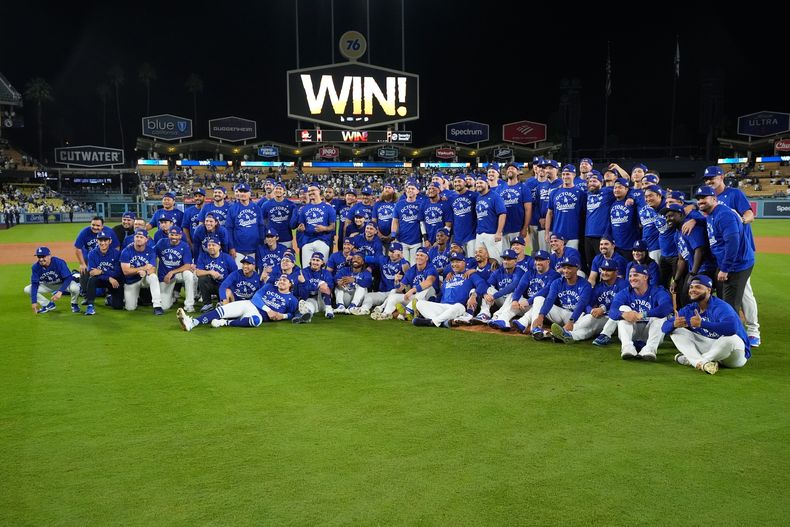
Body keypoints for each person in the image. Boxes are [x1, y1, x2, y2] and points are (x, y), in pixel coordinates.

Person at [700, 166, 762, 347]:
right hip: (727, 255)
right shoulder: (709, 200)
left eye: (712, 177)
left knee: (745, 294)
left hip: (740, 251)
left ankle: (752, 331)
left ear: (722, 177)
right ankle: (733, 329)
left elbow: (750, 214)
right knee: (737, 294)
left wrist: (740, 221)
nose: (709, 181)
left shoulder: (734, 194)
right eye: (706, 179)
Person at [662, 275, 750, 374]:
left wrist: (702, 324)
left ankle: (697, 361)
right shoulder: (690, 309)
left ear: (708, 290)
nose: (693, 290)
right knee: (676, 331)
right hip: (712, 348)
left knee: (731, 339)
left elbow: (731, 328)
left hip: (734, 355)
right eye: (691, 287)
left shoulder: (720, 307)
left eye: (698, 287)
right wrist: (674, 324)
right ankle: (704, 363)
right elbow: (664, 328)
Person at [694, 186, 754, 316]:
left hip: (737, 265)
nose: (700, 201)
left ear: (714, 198)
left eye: (704, 197)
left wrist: (725, 268)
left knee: (730, 307)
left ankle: (736, 335)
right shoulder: (711, 214)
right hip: (727, 264)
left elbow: (733, 243)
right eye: (698, 198)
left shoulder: (724, 215)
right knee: (725, 302)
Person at [177, 273, 298, 330]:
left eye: (285, 281)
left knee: (256, 321)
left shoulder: (292, 300)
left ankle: (224, 323)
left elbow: (292, 313)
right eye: (281, 280)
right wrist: (269, 310)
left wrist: (281, 315)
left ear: (291, 284)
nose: (281, 282)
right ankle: (193, 322)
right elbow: (256, 297)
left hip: (257, 315)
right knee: (221, 310)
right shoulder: (269, 287)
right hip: (249, 304)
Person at [607, 265, 673, 360]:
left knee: (660, 315)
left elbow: (667, 307)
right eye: (630, 276)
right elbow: (612, 311)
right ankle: (627, 347)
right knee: (623, 309)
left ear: (645, 277)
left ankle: (650, 349)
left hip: (651, 334)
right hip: (632, 332)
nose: (632, 278)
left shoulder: (657, 291)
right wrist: (623, 314)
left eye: (636, 275)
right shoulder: (625, 292)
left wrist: (643, 314)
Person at [411, 252, 484, 328]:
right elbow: (440, 294)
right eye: (453, 262)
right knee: (420, 303)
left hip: (457, 309)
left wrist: (474, 295)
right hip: (443, 308)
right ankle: (443, 322)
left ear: (464, 263)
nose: (455, 264)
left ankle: (433, 321)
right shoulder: (448, 277)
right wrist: (433, 303)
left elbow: (482, 284)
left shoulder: (470, 274)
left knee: (459, 306)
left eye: (458, 262)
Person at [529, 256, 592, 342]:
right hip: (562, 313)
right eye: (564, 268)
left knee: (590, 319)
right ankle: (536, 330)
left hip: (577, 316)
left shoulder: (585, 285)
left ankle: (560, 334)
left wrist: (571, 321)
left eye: (569, 268)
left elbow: (581, 304)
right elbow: (550, 299)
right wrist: (541, 316)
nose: (565, 271)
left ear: (577, 268)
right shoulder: (557, 282)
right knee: (539, 299)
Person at [508, 250, 561, 333]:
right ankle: (506, 319)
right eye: (536, 260)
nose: (538, 262)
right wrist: (515, 300)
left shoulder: (555, 275)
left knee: (539, 299)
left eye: (541, 260)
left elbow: (546, 290)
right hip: (532, 306)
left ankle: (534, 327)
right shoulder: (530, 272)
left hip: (548, 309)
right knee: (513, 296)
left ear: (548, 262)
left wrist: (528, 301)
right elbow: (520, 287)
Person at [119, 229, 164, 314]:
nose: (138, 239)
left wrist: (146, 272)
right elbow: (126, 271)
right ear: (134, 238)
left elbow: (152, 269)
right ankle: (133, 298)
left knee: (153, 277)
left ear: (146, 239)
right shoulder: (126, 251)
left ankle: (157, 306)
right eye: (137, 237)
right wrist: (141, 269)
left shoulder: (150, 251)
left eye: (141, 237)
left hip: (144, 278)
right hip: (131, 280)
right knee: (130, 308)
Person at [473, 249, 524, 324]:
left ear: (515, 261)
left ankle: (497, 316)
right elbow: (487, 284)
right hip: (501, 300)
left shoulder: (519, 271)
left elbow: (513, 286)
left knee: (513, 294)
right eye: (504, 259)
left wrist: (494, 296)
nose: (506, 261)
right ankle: (484, 314)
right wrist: (485, 294)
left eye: (509, 259)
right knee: (489, 289)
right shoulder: (498, 272)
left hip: (515, 303)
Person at [26, 246, 81, 314]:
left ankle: (74, 304)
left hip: (62, 283)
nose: (41, 259)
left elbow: (68, 278)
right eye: (39, 257)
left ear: (49, 256)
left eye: (43, 256)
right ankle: (48, 305)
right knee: (27, 289)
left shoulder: (59, 262)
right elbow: (34, 284)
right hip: (47, 285)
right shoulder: (35, 267)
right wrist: (34, 302)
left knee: (75, 288)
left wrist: (60, 291)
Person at [75, 216, 120, 298]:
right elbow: (77, 248)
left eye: (98, 225)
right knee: (84, 269)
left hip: (107, 256)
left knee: (113, 269)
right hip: (91, 257)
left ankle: (109, 290)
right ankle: (85, 292)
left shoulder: (109, 231)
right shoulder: (85, 232)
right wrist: (82, 263)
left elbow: (116, 247)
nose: (95, 227)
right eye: (93, 225)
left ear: (102, 226)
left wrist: (113, 258)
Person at [156, 225, 196, 312]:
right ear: (168, 235)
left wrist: (172, 272)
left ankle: (189, 304)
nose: (174, 237)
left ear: (180, 236)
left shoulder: (184, 246)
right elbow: (153, 255)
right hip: (165, 275)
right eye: (172, 234)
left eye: (176, 235)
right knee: (164, 306)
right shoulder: (161, 243)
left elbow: (187, 265)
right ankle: (171, 297)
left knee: (189, 274)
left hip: (178, 274)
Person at [545, 164, 586, 249]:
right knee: (557, 260)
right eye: (563, 174)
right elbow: (549, 214)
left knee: (571, 261)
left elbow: (584, 215)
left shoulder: (581, 194)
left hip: (574, 235)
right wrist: (547, 233)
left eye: (568, 174)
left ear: (574, 175)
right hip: (557, 234)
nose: (565, 176)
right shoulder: (554, 193)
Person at [296, 183, 336, 267]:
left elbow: (333, 226)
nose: (310, 192)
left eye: (313, 190)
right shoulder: (304, 208)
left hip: (322, 240)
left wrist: (324, 228)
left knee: (321, 268)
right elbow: (301, 225)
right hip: (307, 241)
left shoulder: (328, 208)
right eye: (309, 191)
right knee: (306, 268)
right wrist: (300, 228)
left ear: (319, 191)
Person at [226, 182, 265, 266]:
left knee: (254, 273)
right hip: (238, 249)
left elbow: (261, 226)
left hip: (255, 248)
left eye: (245, 191)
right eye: (240, 191)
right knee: (239, 272)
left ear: (250, 193)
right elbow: (229, 229)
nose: (242, 194)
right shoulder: (232, 209)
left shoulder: (256, 208)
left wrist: (261, 244)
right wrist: (231, 247)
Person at [195, 237, 237, 312]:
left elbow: (235, 274)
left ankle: (222, 302)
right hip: (211, 285)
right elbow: (198, 272)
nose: (211, 247)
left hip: (224, 286)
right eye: (209, 245)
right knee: (202, 278)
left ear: (219, 247)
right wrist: (210, 272)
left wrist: (227, 283)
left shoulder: (227, 258)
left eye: (213, 245)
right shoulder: (203, 256)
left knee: (226, 307)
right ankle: (207, 304)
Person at [85, 233, 123, 313]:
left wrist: (101, 271)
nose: (103, 243)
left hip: (113, 282)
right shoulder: (92, 253)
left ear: (110, 241)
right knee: (92, 279)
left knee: (118, 306)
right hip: (101, 280)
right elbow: (92, 272)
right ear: (97, 241)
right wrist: (108, 277)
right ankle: (90, 305)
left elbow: (117, 273)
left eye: (105, 240)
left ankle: (110, 298)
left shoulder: (116, 253)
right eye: (100, 240)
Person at [474, 174, 507, 263]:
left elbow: (502, 214)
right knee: (480, 260)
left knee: (495, 261)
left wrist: (499, 232)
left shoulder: (495, 196)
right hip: (480, 233)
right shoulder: (478, 197)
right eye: (477, 183)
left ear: (487, 183)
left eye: (481, 182)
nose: (478, 185)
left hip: (492, 234)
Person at [294, 252, 335, 322]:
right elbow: (303, 289)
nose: (315, 262)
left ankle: (329, 309)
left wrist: (311, 284)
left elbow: (329, 288)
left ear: (322, 262)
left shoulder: (326, 273)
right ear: (310, 261)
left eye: (317, 260)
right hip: (309, 298)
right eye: (313, 260)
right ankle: (307, 314)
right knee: (309, 305)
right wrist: (316, 285)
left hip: (323, 300)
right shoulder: (304, 272)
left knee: (323, 285)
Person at [392, 180, 424, 264]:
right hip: (402, 240)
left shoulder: (421, 204)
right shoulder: (399, 204)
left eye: (412, 188)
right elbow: (395, 221)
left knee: (414, 266)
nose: (410, 190)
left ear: (417, 191)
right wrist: (393, 235)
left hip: (417, 241)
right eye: (408, 188)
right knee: (404, 266)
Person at [499, 162, 531, 246]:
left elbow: (528, 210)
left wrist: (525, 228)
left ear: (518, 172)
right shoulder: (500, 188)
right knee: (503, 256)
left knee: (517, 255)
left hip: (517, 228)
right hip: (502, 229)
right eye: (508, 169)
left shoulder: (524, 188)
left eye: (512, 168)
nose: (510, 170)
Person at [450, 173, 478, 256]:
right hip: (458, 236)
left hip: (471, 235)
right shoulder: (451, 198)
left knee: (472, 260)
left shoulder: (474, 196)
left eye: (459, 181)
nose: (457, 184)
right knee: (459, 261)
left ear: (465, 183)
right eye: (455, 182)